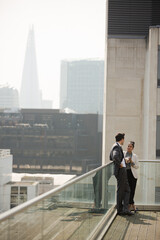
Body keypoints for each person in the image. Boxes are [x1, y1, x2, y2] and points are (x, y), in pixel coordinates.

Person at [110, 133, 133, 216]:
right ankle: (120, 210)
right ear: (122, 139)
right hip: (121, 171)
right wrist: (120, 164)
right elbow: (115, 156)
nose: (124, 141)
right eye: (124, 139)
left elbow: (113, 156)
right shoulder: (117, 146)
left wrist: (123, 161)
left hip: (122, 171)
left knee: (127, 190)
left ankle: (125, 209)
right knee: (121, 190)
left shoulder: (116, 145)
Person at [124, 141, 139, 212]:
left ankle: (130, 205)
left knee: (132, 190)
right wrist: (125, 161)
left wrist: (131, 162)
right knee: (127, 190)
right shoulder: (124, 154)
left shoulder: (135, 156)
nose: (128, 147)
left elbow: (137, 166)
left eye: (130, 146)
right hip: (126, 173)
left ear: (132, 148)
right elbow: (121, 162)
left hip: (133, 174)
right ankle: (132, 205)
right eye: (128, 146)